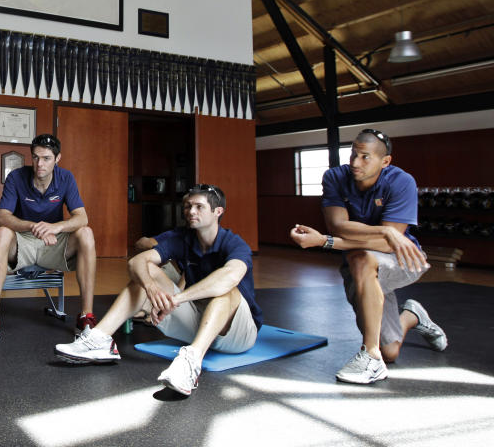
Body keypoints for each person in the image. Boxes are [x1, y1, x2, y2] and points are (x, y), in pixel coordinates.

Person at [55, 184, 262, 397]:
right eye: (188, 206)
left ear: (217, 212)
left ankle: (191, 362)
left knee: (227, 291)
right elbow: (136, 262)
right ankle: (100, 339)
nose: (191, 211)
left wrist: (177, 299)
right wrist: (151, 288)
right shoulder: (183, 238)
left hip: (237, 333)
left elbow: (228, 279)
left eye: (199, 207)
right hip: (199, 321)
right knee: (144, 275)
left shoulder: (235, 244)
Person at [290, 128, 447, 384]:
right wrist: (384, 230)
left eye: (364, 157)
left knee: (361, 257)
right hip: (361, 268)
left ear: (385, 162)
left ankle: (371, 357)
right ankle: (413, 316)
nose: (354, 163)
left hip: (404, 259)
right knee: (392, 351)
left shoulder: (401, 181)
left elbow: (388, 245)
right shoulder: (335, 177)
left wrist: (325, 242)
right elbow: (338, 225)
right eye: (353, 154)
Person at [0, 133, 97, 348]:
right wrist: (33, 226)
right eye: (36, 157)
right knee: (2, 233)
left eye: (46, 158)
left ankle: (86, 318)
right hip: (24, 242)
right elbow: (2, 216)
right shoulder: (17, 177)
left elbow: (82, 217)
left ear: (57, 159)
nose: (40, 163)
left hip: (54, 243)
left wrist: (55, 227)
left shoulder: (66, 178)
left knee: (86, 232)